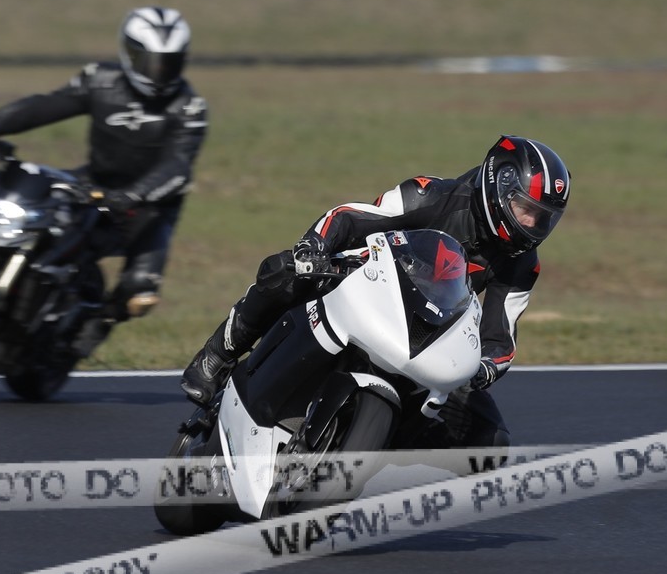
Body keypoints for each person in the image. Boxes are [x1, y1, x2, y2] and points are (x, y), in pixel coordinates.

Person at [180, 135, 571, 449]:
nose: (532, 224)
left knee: (491, 439)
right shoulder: (431, 194)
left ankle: (370, 451)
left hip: (427, 340)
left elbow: (501, 338)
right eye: (526, 209)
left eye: (543, 218)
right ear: (499, 185)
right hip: (364, 285)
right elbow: (350, 217)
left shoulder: (523, 264)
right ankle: (219, 352)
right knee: (285, 272)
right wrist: (314, 248)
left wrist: (483, 368)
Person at [0, 7, 207, 358]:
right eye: (152, 61)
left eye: (170, 62)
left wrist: (133, 196)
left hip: (149, 206)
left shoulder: (189, 108)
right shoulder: (100, 80)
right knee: (23, 206)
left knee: (139, 293)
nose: (160, 71)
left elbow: (178, 167)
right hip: (94, 181)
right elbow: (46, 105)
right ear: (130, 54)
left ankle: (98, 323)